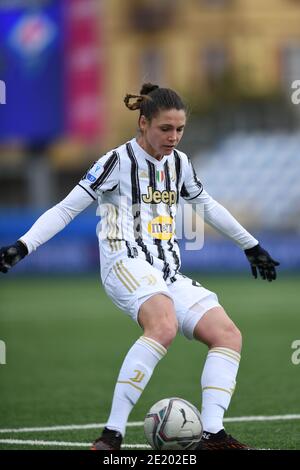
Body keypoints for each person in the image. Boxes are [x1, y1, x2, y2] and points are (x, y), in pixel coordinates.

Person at [0, 83, 279, 451]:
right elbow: (67, 208)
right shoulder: (116, 162)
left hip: (166, 272)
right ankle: (112, 434)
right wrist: (24, 245)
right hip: (123, 262)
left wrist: (251, 245)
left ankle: (214, 435)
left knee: (228, 335)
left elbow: (208, 206)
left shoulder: (179, 164)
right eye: (166, 128)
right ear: (143, 124)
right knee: (163, 324)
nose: (174, 137)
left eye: (179, 129)